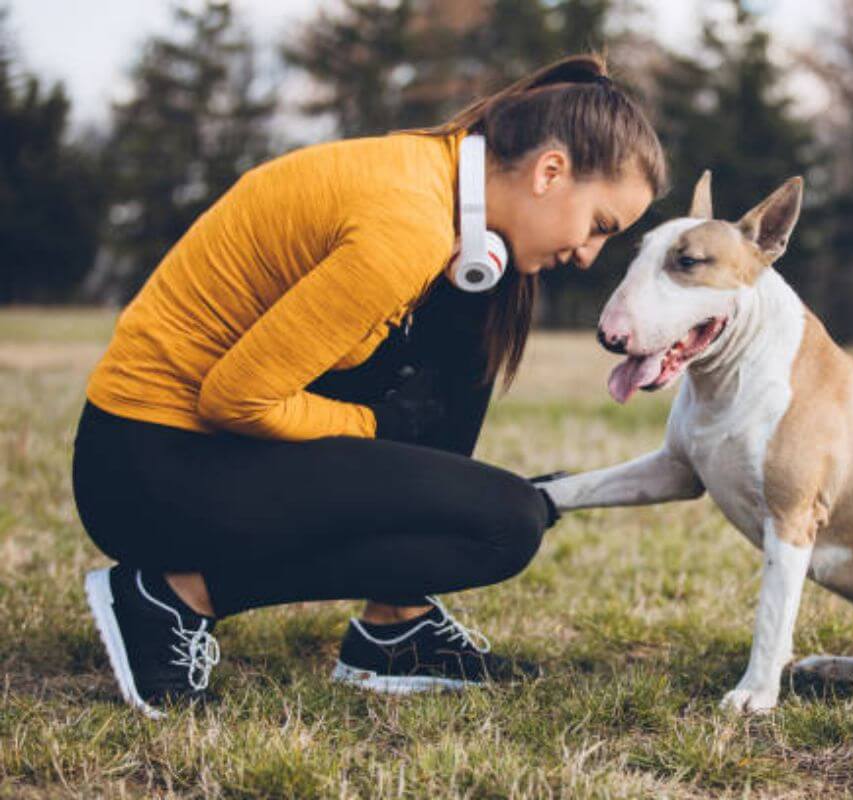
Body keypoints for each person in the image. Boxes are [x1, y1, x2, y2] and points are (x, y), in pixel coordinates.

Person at [71, 53, 667, 718]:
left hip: (161, 450)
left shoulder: (432, 181)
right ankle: (173, 596)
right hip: (147, 472)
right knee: (505, 524)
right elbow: (238, 399)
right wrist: (378, 430)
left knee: (475, 295)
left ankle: (397, 623)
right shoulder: (405, 225)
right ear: (550, 171)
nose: (588, 254)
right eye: (600, 225)